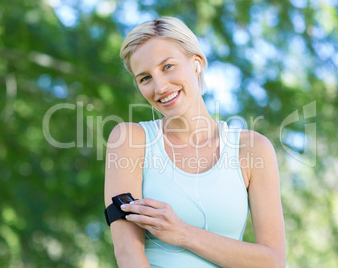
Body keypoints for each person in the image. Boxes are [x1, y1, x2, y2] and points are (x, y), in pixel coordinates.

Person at [104, 16, 286, 267]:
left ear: (197, 63)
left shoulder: (252, 150)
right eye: (145, 78)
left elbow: (273, 261)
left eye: (167, 66)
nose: (160, 86)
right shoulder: (129, 140)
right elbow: (127, 254)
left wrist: (183, 234)